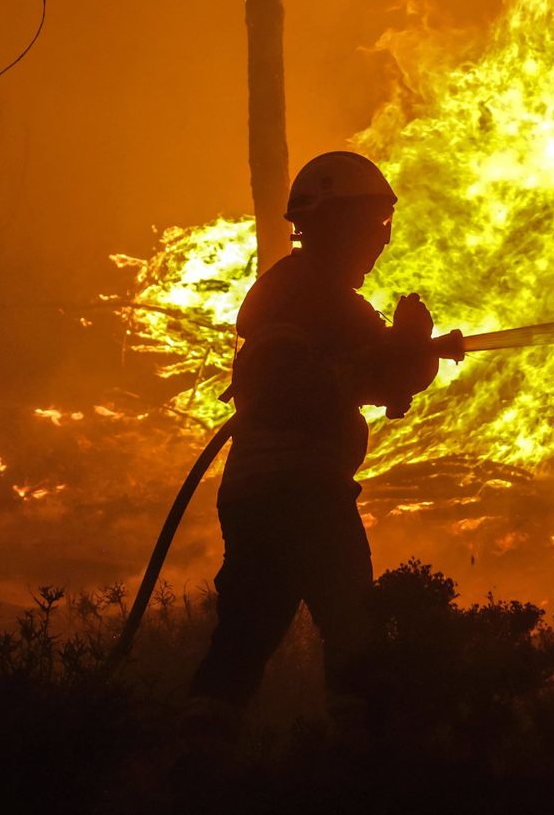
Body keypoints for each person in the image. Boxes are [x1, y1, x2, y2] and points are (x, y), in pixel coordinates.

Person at [187, 150, 454, 718]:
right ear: (335, 225)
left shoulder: (293, 293)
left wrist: (409, 349)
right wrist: (407, 345)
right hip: (305, 492)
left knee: (242, 643)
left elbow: (373, 376)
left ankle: (198, 750)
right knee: (356, 633)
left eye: (383, 225)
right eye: (370, 225)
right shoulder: (318, 297)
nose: (379, 241)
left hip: (253, 493)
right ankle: (354, 752)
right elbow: (348, 380)